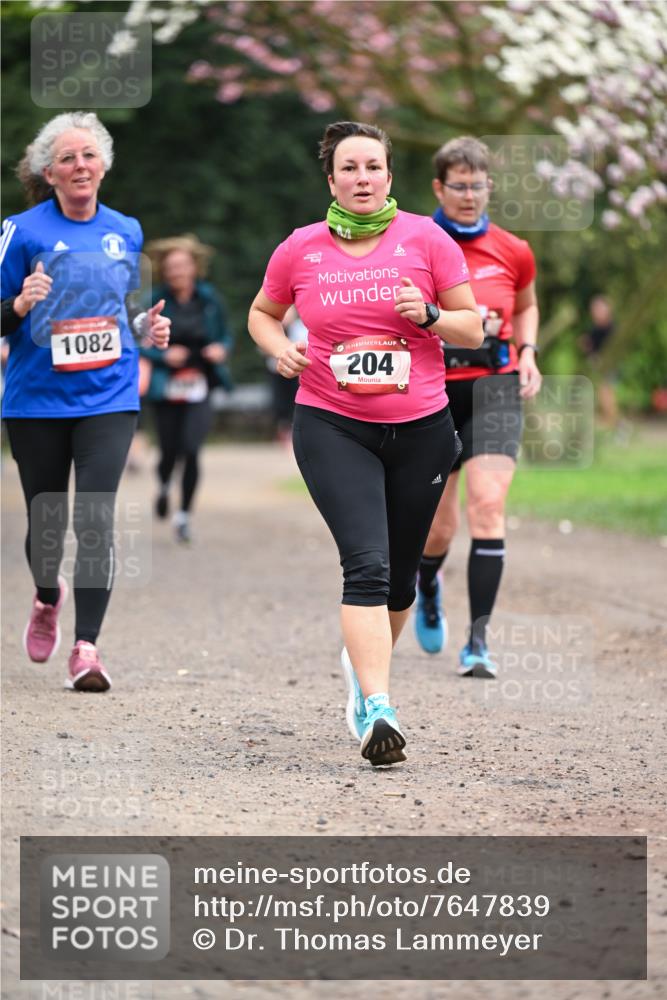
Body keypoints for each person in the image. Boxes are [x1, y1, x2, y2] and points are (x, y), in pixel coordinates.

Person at [248, 121, 483, 766]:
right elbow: (261, 314)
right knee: (368, 566)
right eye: (349, 168)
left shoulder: (426, 239)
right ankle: (378, 704)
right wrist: (281, 351)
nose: (361, 178)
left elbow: (471, 328)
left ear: (389, 177)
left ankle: (362, 668)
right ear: (332, 180)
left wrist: (431, 316)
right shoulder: (301, 248)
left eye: (372, 167)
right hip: (332, 422)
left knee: (401, 579)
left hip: (422, 430)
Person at [0, 111, 170, 692]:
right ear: (49, 172)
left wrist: (147, 327)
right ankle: (48, 596)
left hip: (109, 395)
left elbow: (124, 315)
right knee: (47, 525)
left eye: (89, 155)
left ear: (104, 166)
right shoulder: (20, 232)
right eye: (68, 158)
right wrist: (19, 306)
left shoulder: (126, 229)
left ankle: (87, 648)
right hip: (36, 399)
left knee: (94, 519)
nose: (80, 166)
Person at [414, 136, 541, 677]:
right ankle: (427, 584)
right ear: (439, 188)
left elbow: (529, 303)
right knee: (438, 529)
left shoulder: (513, 249)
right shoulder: (416, 244)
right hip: (434, 391)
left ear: (490, 186)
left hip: (495, 388)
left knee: (487, 506)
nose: (469, 196)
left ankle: (478, 642)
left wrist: (529, 350)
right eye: (458, 186)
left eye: (478, 185)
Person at [140, 234, 233, 542]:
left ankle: (183, 517)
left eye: (182, 265)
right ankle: (165, 485)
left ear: (195, 267)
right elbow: (139, 342)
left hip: (200, 381)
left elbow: (225, 335)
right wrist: (163, 354)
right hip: (166, 384)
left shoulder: (209, 298)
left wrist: (221, 349)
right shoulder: (154, 299)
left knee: (192, 449)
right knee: (169, 450)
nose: (177, 272)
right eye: (171, 267)